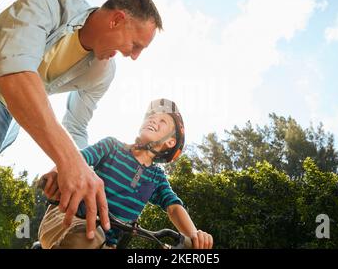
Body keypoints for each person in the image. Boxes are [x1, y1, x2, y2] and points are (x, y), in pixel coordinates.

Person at [0, 0, 163, 240]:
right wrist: (69, 161)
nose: (134, 56)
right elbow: (15, 71)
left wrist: (76, 169)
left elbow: (75, 125)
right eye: (136, 44)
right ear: (117, 20)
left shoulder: (103, 73)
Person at [38, 99, 213, 249]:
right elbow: (77, 159)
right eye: (151, 115)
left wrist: (194, 236)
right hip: (66, 217)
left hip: (105, 242)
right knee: (89, 237)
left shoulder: (156, 178)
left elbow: (173, 206)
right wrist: (55, 173)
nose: (153, 119)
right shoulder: (112, 147)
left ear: (170, 142)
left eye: (162, 120)